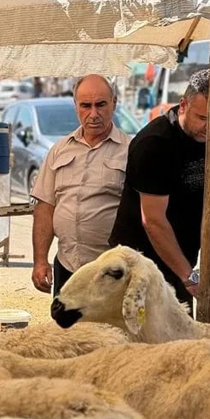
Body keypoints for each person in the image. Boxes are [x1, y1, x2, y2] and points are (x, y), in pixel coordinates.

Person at [108, 69, 210, 306]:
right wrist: (189, 277)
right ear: (183, 106)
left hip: (183, 253)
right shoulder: (154, 143)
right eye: (202, 118)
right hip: (138, 261)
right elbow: (153, 220)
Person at [30, 75, 129, 296]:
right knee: (65, 330)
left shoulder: (131, 150)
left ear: (114, 103)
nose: (93, 114)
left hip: (111, 271)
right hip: (67, 266)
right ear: (76, 106)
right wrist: (40, 261)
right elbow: (45, 207)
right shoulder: (59, 150)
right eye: (86, 105)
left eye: (101, 105)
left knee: (107, 331)